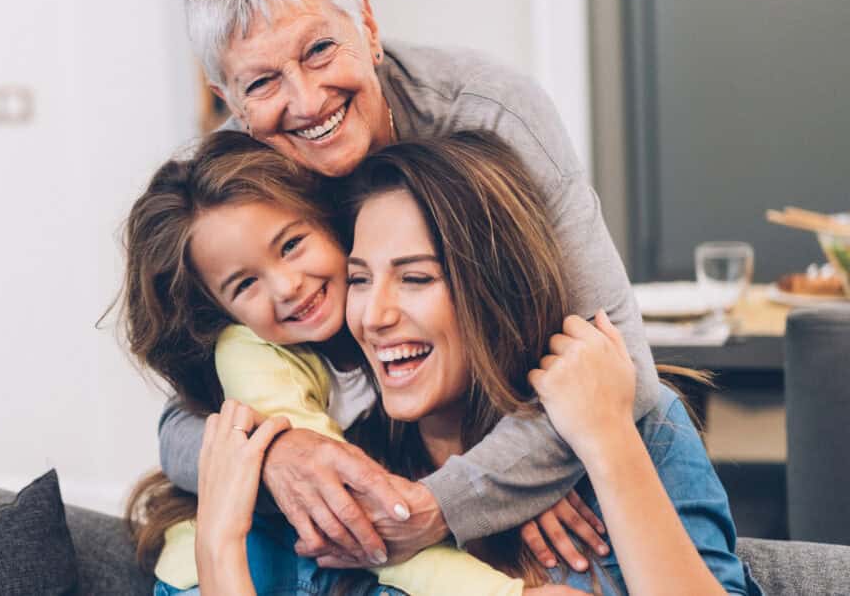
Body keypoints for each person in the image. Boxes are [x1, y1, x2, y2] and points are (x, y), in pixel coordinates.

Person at [158, 0, 655, 572]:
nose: (306, 101)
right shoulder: (231, 187)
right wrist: (276, 453)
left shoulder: (491, 115)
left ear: (367, 25)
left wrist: (449, 498)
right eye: (261, 83)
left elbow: (623, 370)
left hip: (521, 463)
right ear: (230, 103)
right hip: (372, 485)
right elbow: (180, 424)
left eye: (318, 50)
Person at [188, 136, 754, 595]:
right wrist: (218, 548)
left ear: (496, 291)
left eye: (416, 278)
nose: (374, 316)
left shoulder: (640, 429)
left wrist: (606, 443)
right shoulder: (360, 476)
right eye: (359, 279)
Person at [122, 131, 549, 595]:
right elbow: (350, 511)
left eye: (290, 246)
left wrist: (524, 485)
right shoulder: (252, 356)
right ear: (221, 312)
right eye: (245, 285)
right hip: (235, 573)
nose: (286, 287)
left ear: (328, 222)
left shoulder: (380, 323)